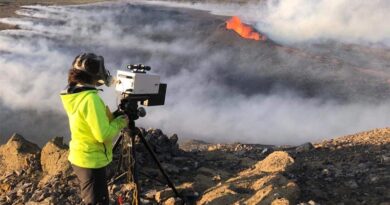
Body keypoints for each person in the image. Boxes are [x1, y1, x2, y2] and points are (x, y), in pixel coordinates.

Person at [60, 53, 128, 205]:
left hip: (82, 156)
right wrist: (120, 123)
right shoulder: (91, 99)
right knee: (97, 201)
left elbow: (90, 121)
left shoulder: (74, 93)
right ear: (94, 74)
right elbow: (102, 135)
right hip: (91, 160)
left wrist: (114, 117)